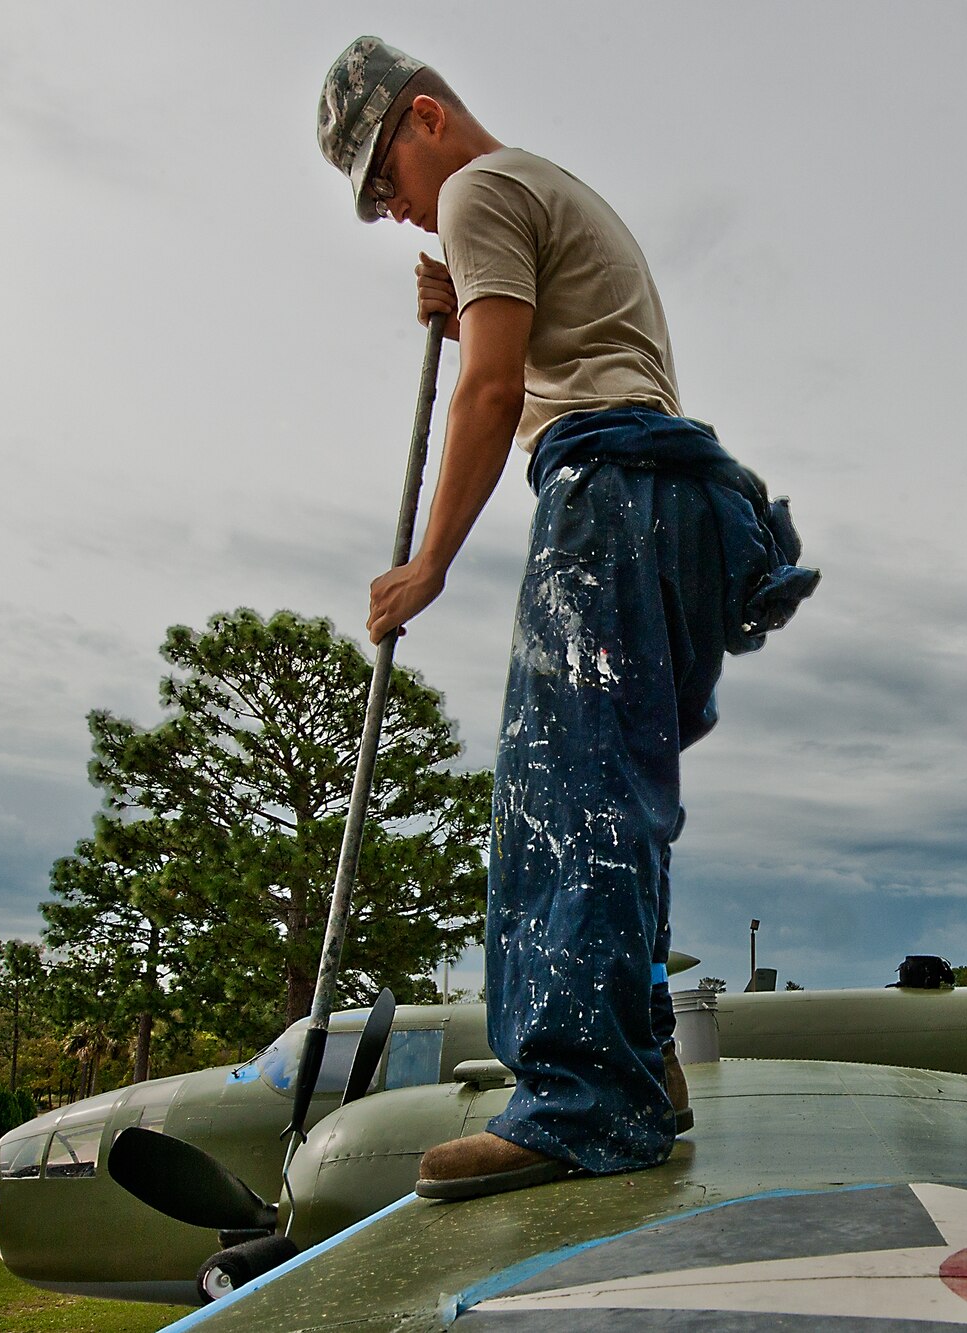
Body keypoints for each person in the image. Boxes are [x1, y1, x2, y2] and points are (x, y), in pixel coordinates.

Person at [316, 38, 817, 1199]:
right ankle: (639, 1062)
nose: (396, 213)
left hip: (612, 494)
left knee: (564, 795)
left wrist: (427, 562)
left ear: (425, 117)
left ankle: (583, 1101)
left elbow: (494, 390)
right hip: (684, 507)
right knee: (615, 789)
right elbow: (550, 342)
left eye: (386, 181)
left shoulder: (483, 188)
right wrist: (465, 293)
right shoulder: (535, 189)